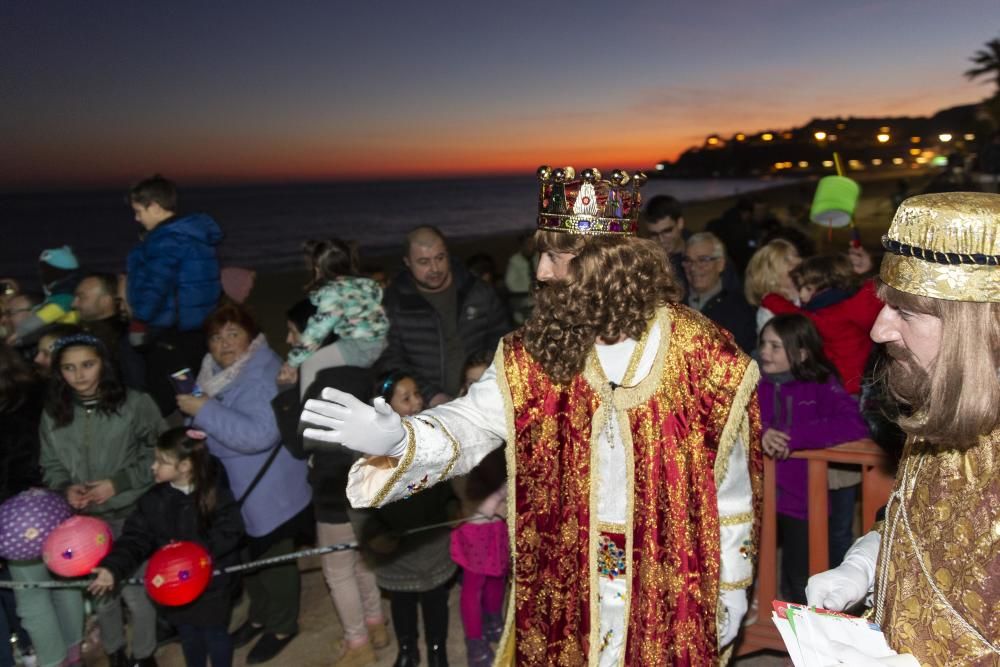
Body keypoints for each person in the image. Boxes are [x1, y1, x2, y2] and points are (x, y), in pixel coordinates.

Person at [303, 166, 763, 665]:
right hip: (562, 589)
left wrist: (729, 598)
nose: (541, 272)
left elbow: (732, 495)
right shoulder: (533, 353)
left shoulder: (704, 359)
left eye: (554, 255)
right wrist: (401, 439)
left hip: (667, 588)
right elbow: (472, 422)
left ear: (603, 262)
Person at [805, 192, 1000, 665]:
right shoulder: (948, 401)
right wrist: (866, 564)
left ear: (978, 327)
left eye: (906, 313)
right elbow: (919, 519)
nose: (878, 330)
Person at [176, 303, 310, 665]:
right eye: (216, 337)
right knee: (247, 557)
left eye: (233, 333)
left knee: (274, 558)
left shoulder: (261, 371)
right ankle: (259, 616)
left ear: (251, 336)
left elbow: (259, 435)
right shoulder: (214, 373)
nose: (224, 343)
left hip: (268, 488)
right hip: (237, 488)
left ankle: (283, 625)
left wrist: (203, 409)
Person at [39, 333, 163, 667]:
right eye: (68, 368)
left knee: (137, 594)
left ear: (104, 365)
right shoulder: (54, 413)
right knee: (102, 596)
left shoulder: (135, 404)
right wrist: (66, 487)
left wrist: (118, 483)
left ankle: (144, 654)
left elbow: (161, 453)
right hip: (85, 524)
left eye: (87, 365)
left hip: (132, 513)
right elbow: (49, 464)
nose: (79, 375)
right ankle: (115, 652)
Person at [89, 427, 244, 667]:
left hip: (213, 586)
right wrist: (112, 568)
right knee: (188, 635)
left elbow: (231, 532)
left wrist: (191, 555)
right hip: (174, 587)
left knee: (215, 635)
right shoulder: (152, 501)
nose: (153, 467)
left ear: (184, 466)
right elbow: (134, 538)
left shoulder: (216, 494)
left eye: (162, 461)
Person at [277, 360, 389, 667]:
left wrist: (287, 394)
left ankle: (358, 642)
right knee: (363, 562)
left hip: (333, 500)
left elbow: (298, 446)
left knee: (338, 573)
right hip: (366, 495)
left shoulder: (323, 393)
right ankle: (376, 623)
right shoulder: (368, 392)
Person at [757, 314, 868, 603]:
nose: (764, 352)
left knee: (798, 573)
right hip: (757, 496)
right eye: (763, 344)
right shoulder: (752, 383)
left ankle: (794, 633)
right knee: (754, 564)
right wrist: (762, 432)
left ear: (802, 352)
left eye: (775, 346)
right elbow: (732, 419)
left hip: (801, 499)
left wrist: (794, 437)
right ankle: (759, 623)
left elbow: (853, 422)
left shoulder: (819, 384)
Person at [349, 371, 457, 667]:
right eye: (405, 398)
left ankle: (438, 651)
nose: (416, 403)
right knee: (402, 603)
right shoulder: (371, 453)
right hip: (396, 549)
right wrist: (373, 535)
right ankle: (408, 650)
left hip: (432, 543)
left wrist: (451, 507)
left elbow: (446, 486)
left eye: (417, 395)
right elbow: (360, 505)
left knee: (436, 602)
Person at [377, 225, 511, 407]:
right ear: (407, 262)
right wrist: (431, 395)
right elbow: (390, 359)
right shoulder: (394, 303)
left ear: (448, 254)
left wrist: (482, 382)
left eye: (440, 258)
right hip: (424, 407)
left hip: (481, 401)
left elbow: (503, 342)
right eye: (423, 262)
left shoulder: (479, 292)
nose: (434, 268)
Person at [126, 174, 223, 415]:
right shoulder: (191, 236)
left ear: (155, 208)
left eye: (139, 211)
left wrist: (139, 318)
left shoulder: (166, 240)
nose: (136, 218)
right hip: (197, 322)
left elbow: (156, 283)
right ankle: (200, 416)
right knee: (190, 373)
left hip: (173, 326)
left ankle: (189, 420)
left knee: (172, 378)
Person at [451, 352, 508, 667]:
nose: (477, 389)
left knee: (498, 574)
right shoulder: (458, 422)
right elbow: (456, 478)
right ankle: (474, 641)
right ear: (462, 387)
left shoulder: (506, 417)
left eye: (484, 382)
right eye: (471, 383)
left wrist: (502, 499)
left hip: (500, 516)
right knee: (473, 584)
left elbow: (516, 467)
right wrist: (481, 505)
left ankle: (494, 622)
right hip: (473, 519)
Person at [0, 344, 56, 667]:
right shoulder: (33, 394)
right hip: (33, 505)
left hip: (21, 513)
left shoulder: (24, 402)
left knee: (30, 594)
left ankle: (36, 650)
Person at [279, 239, 388, 385]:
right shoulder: (367, 284)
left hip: (358, 346)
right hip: (380, 342)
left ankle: (308, 407)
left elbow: (317, 331)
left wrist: (293, 361)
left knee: (310, 364)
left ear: (318, 269)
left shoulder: (332, 293)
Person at [683, 231, 757, 353]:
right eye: (688, 260)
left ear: (720, 264)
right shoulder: (674, 304)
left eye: (703, 260)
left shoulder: (740, 309)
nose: (693, 267)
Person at [72, 272, 145, 389]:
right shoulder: (81, 333)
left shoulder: (125, 338)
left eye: (81, 297)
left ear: (105, 301)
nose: (74, 304)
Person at [8, 247, 81, 346]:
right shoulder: (55, 295)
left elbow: (45, 317)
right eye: (42, 270)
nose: (42, 274)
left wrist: (18, 334)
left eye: (49, 270)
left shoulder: (65, 297)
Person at [743, 239, 802, 334]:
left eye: (796, 256)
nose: (798, 261)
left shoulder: (806, 297)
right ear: (770, 274)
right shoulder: (768, 313)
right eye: (786, 259)